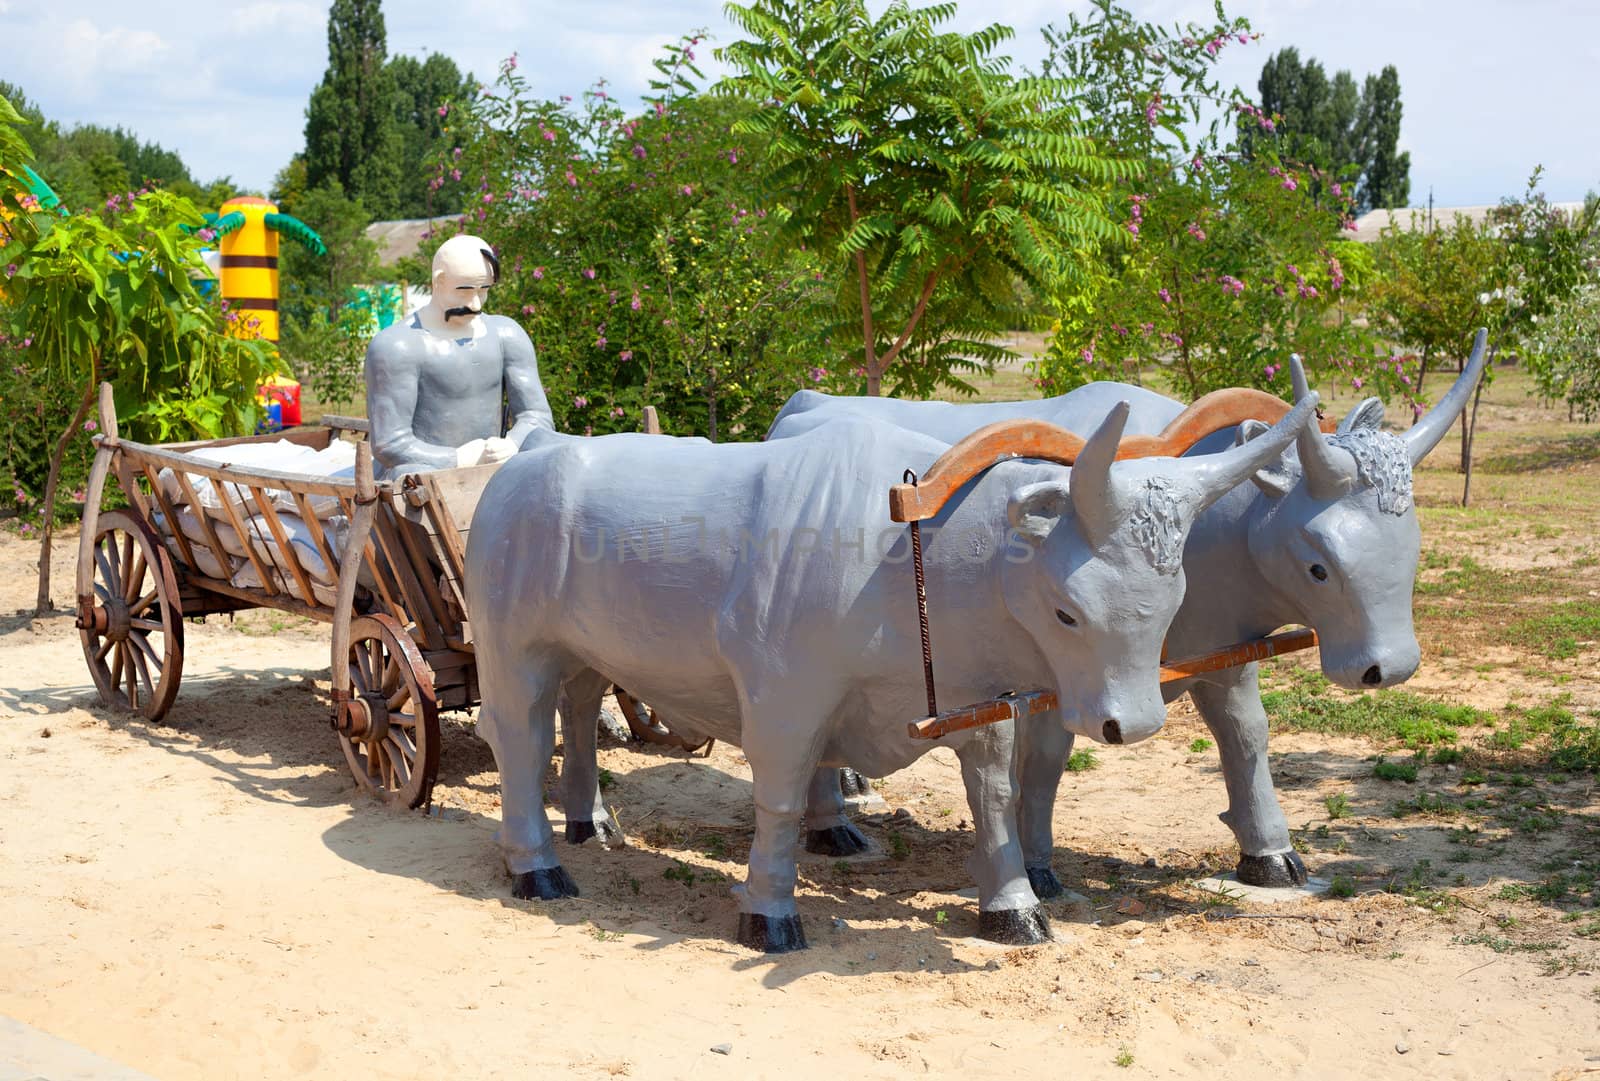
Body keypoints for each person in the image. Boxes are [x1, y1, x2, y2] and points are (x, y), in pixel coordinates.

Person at [365, 233, 553, 479]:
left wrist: (514, 443)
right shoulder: (397, 346)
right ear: (439, 281)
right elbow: (389, 443)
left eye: (484, 290)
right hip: (425, 477)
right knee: (413, 480)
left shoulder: (506, 335)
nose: (476, 304)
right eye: (464, 291)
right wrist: (459, 459)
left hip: (494, 470)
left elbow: (537, 415)